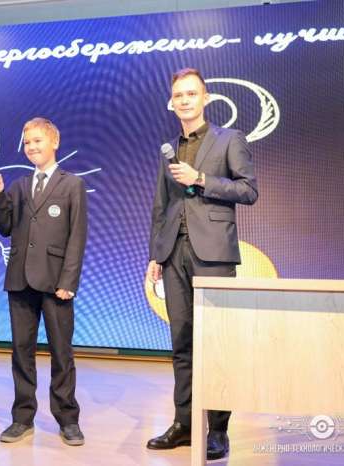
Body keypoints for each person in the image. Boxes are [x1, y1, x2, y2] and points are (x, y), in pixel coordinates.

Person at [146, 68, 258, 460]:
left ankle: (219, 430)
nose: (185, 100)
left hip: (213, 255)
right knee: (181, 342)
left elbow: (248, 190)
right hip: (174, 253)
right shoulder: (168, 148)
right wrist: (155, 255)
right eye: (178, 95)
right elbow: (161, 205)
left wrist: (201, 179)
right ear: (171, 102)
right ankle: (184, 423)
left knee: (216, 344)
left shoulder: (230, 139)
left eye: (191, 94)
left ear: (205, 98)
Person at [0, 117, 88, 446]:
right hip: (20, 280)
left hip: (56, 282)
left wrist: (69, 280)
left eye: (37, 141)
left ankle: (68, 419)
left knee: (61, 352)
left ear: (54, 142)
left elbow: (77, 237)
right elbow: (5, 227)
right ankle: (22, 417)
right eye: (27, 142)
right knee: (21, 351)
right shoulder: (18, 186)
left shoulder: (72, 185)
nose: (31, 147)